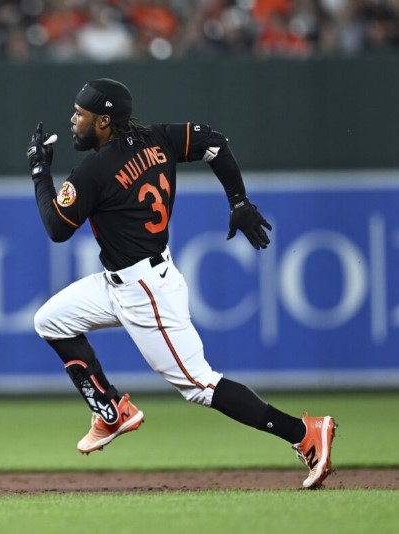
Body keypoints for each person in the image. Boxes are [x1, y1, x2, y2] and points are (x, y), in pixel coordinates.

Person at [25, 78, 337, 489]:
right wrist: (238, 200)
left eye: (80, 114)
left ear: (103, 121)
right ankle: (110, 410)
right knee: (50, 320)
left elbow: (56, 228)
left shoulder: (94, 171)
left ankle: (304, 433)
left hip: (145, 292)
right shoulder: (160, 137)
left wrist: (39, 171)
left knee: (200, 385)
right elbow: (216, 143)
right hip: (122, 281)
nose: (73, 120)